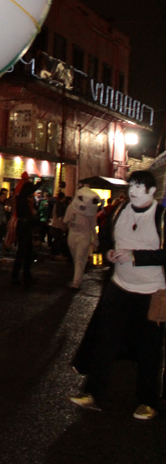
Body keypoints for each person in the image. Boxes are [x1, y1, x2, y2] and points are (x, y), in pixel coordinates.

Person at [71, 171, 165, 420]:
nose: (133, 191)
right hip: (119, 286)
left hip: (152, 292)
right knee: (104, 340)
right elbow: (105, 238)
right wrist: (109, 252)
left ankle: (148, 401)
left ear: (151, 191)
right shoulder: (120, 210)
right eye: (131, 186)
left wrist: (135, 256)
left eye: (139, 187)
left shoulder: (161, 216)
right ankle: (93, 392)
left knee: (150, 349)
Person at [11, 180, 38, 284]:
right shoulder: (22, 199)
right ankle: (17, 275)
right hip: (24, 227)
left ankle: (25, 274)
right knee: (22, 251)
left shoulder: (24, 199)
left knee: (27, 252)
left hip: (25, 226)